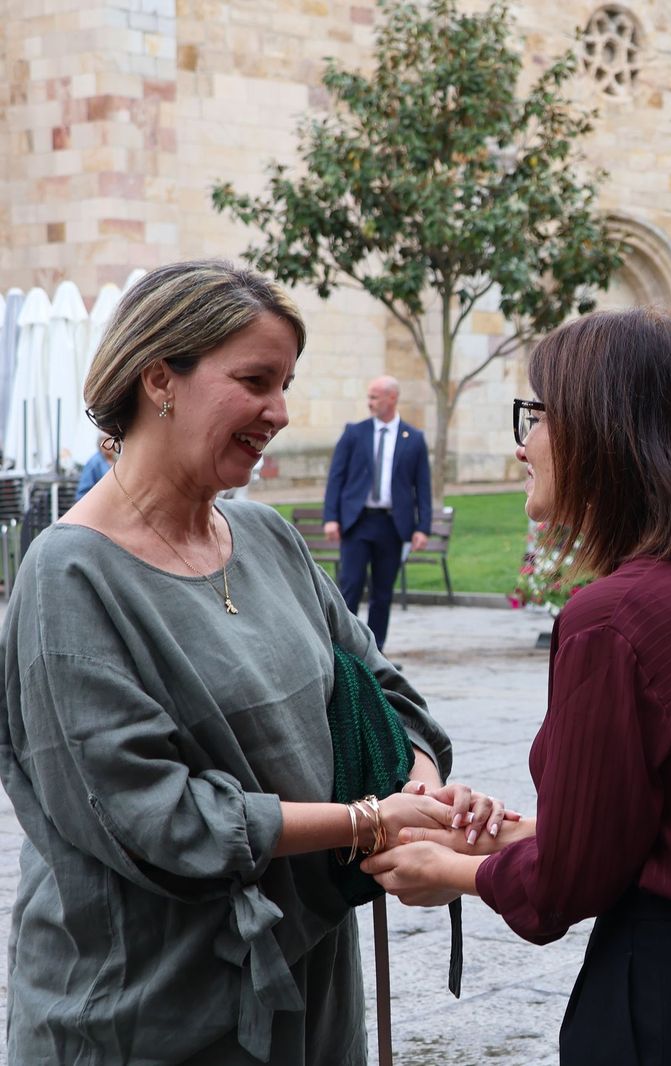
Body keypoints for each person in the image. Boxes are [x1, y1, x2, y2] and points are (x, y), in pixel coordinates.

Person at [0, 260, 481, 1064]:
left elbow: (383, 690)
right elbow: (157, 816)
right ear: (161, 379)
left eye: (286, 383)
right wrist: (367, 822)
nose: (281, 412)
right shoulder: (68, 577)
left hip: (309, 986)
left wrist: (419, 791)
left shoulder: (265, 539)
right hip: (148, 1008)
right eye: (256, 380)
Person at [362, 307, 671, 1066]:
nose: (524, 442)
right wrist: (514, 834)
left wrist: (454, 871)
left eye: (537, 416)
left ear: (605, 432)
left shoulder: (615, 617)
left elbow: (571, 884)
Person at [323, 375, 432, 651]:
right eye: (369, 396)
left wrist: (423, 527)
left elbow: (423, 486)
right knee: (350, 587)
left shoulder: (414, 438)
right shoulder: (354, 433)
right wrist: (331, 518)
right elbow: (336, 477)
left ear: (392, 398)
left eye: (374, 397)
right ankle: (344, 651)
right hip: (357, 523)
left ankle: (375, 653)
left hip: (392, 526)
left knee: (382, 593)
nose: (369, 402)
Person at [75, 433, 116, 498]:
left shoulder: (117, 460)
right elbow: (83, 493)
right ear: (100, 443)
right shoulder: (94, 462)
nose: (111, 443)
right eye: (107, 440)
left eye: (114, 440)